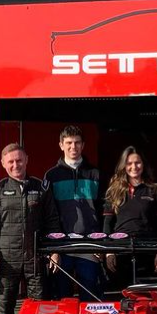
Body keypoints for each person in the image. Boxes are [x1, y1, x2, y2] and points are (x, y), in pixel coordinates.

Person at [0, 143, 62, 314]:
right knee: (5, 306)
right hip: (6, 260)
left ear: (27, 160)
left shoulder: (42, 187)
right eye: (11, 161)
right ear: (3, 164)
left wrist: (54, 251)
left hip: (35, 257)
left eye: (19, 160)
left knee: (39, 308)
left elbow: (52, 221)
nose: (15, 165)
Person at [44, 125, 102, 300]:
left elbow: (104, 211)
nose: (73, 147)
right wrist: (53, 249)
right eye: (68, 143)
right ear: (61, 145)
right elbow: (48, 215)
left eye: (77, 143)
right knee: (62, 299)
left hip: (90, 246)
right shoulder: (51, 175)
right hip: (62, 247)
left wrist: (103, 244)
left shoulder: (95, 174)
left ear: (83, 145)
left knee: (90, 300)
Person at [102, 146, 157, 283]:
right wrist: (108, 251)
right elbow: (107, 223)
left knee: (146, 298)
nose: (134, 166)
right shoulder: (114, 191)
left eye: (137, 162)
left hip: (147, 251)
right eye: (129, 163)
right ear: (124, 166)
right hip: (121, 251)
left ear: (143, 164)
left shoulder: (155, 189)